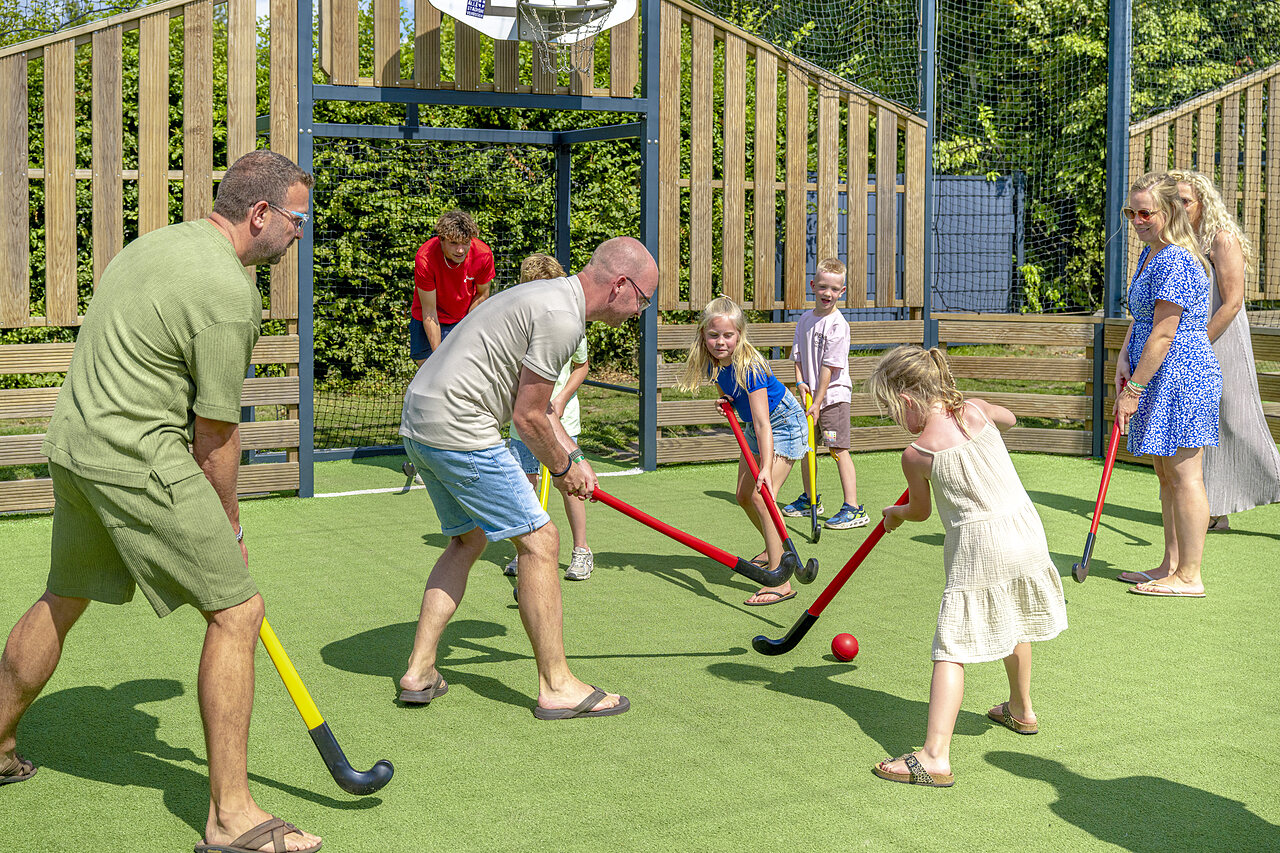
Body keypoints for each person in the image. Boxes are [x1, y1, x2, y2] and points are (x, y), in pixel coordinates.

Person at [0, 150, 323, 852]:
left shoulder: (157, 244)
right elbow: (215, 438)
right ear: (261, 212)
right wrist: (229, 523)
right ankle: (231, 817)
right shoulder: (230, 293)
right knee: (237, 610)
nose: (300, 233)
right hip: (136, 456)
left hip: (75, 442)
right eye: (297, 219)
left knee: (66, 593)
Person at [396, 236, 657, 719]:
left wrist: (574, 456)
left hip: (418, 424)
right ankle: (557, 685)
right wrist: (561, 469)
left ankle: (420, 669)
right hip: (460, 428)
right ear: (621, 285)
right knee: (541, 543)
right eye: (643, 299)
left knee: (466, 541)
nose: (640, 311)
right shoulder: (562, 318)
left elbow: (541, 409)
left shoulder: (546, 298)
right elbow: (528, 417)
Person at [866, 345, 1067, 788]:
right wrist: (983, 414)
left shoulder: (917, 453)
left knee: (951, 645)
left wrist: (894, 514)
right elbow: (1008, 417)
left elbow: (918, 512)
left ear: (906, 400)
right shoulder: (976, 411)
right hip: (1025, 531)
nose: (898, 421)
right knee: (1012, 617)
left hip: (980, 546)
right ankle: (1021, 709)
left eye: (893, 412)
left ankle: (934, 756)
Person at [1113, 172, 1221, 598]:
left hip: (1181, 375)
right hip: (1157, 370)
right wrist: (1125, 356)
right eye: (1131, 212)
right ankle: (1171, 564)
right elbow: (1142, 321)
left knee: (1185, 474)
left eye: (1146, 212)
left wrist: (1133, 391)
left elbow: (1164, 333)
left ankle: (1190, 576)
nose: (1137, 220)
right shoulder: (1150, 255)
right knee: (1165, 474)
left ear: (1169, 211)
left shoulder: (1175, 259)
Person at [1166, 170, 1280, 533]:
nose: (1180, 208)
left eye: (1185, 201)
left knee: (1238, 420)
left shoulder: (1222, 240)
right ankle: (1214, 510)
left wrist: (1197, 341)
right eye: (1174, 202)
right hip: (1194, 344)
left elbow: (1231, 303)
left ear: (1203, 203)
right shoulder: (1180, 244)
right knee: (1206, 422)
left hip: (1222, 338)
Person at [677, 297, 808, 606]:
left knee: (763, 495)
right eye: (713, 335)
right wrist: (727, 402)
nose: (720, 342)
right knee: (743, 495)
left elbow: (765, 424)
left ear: (739, 335)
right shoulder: (712, 359)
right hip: (754, 426)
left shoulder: (750, 366)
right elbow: (730, 392)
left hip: (782, 424)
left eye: (727, 335)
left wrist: (765, 467)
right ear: (703, 335)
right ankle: (773, 546)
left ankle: (781, 579)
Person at [504, 254, 595, 582]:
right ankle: (527, 550)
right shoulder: (519, 324)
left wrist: (559, 397)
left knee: (569, 484)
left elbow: (581, 366)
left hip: (559, 420)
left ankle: (581, 550)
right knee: (525, 485)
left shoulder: (571, 323)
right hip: (525, 423)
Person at [780, 258, 868, 529]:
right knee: (808, 449)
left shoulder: (838, 326)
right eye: (822, 287)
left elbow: (830, 368)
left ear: (842, 291)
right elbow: (797, 356)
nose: (827, 293)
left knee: (837, 448)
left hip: (832, 400)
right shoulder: (805, 320)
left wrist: (818, 402)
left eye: (833, 289)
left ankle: (853, 508)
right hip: (810, 400)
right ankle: (810, 499)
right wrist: (800, 383)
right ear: (813, 286)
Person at [410, 209, 495, 367]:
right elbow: (429, 311)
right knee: (429, 371)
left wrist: (466, 328)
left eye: (465, 242)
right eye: (454, 243)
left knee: (460, 370)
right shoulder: (425, 258)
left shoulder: (483, 255)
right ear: (441, 239)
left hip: (462, 318)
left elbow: (483, 295)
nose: (461, 250)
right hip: (429, 315)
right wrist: (438, 359)